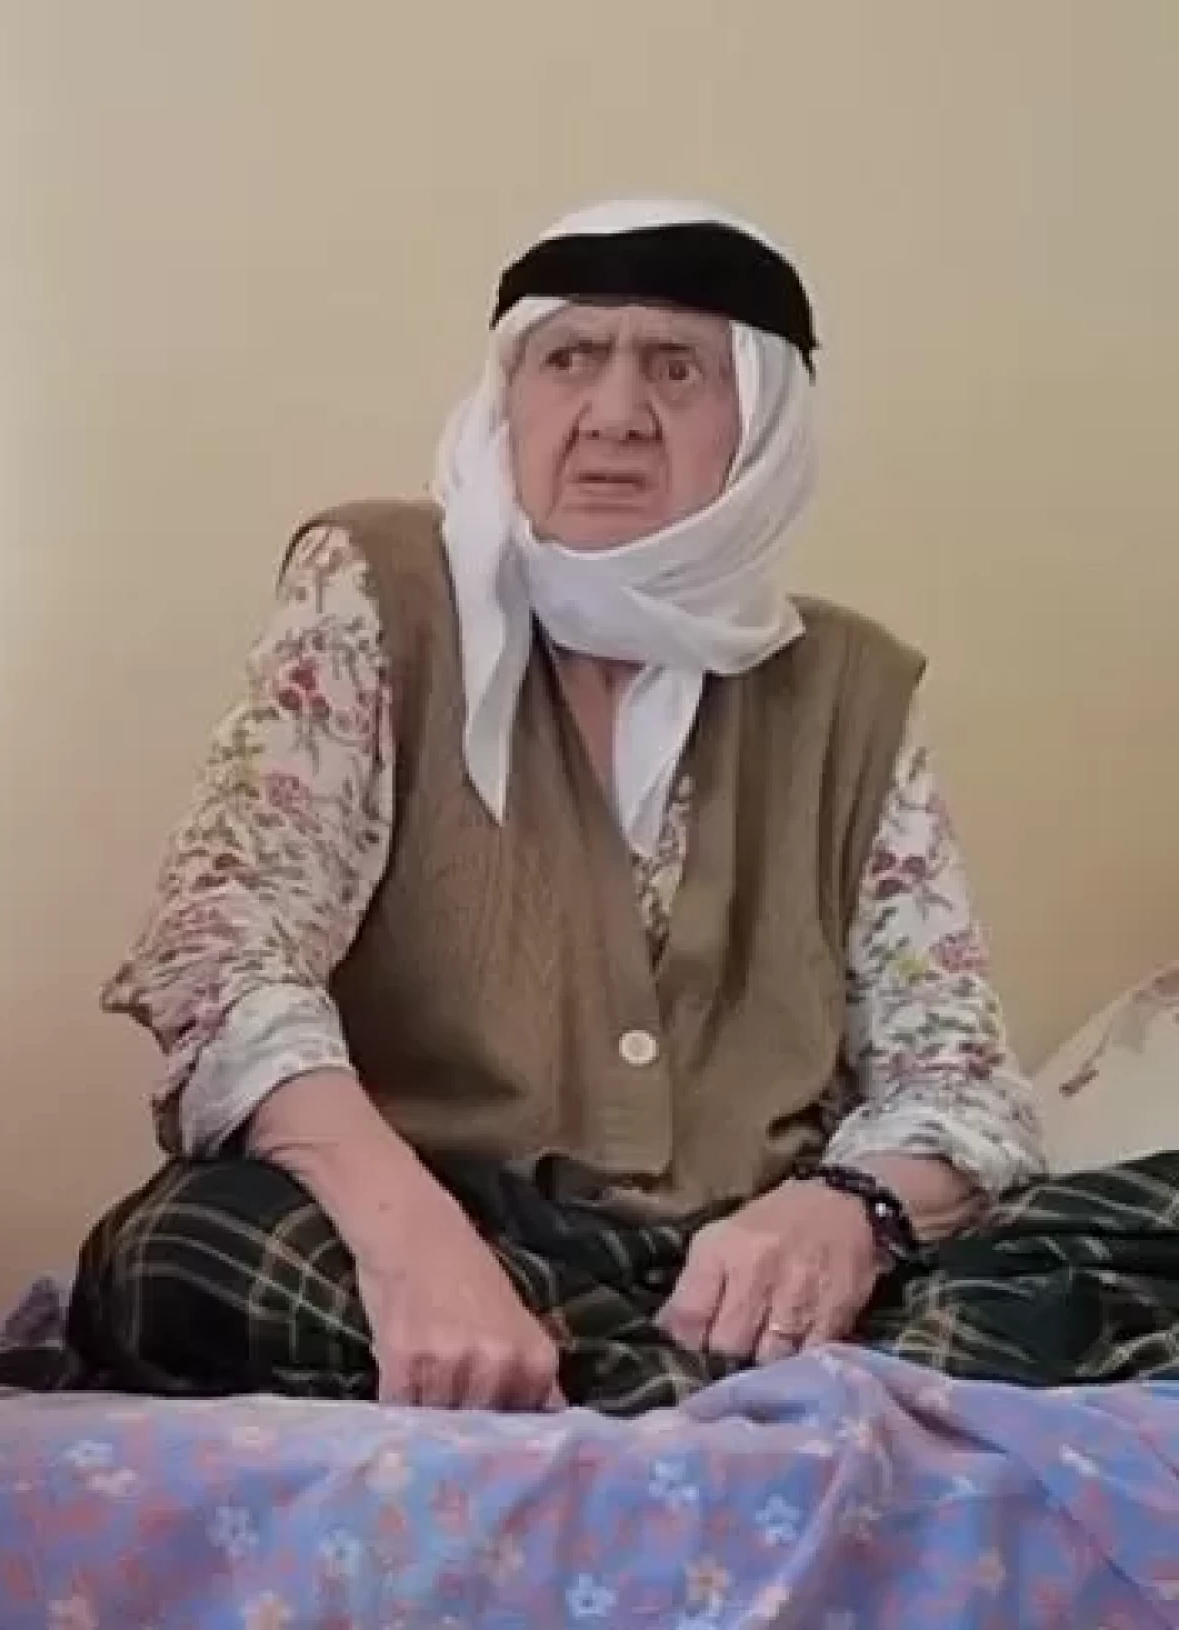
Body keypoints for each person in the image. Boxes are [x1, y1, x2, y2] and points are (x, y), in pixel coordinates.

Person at [69, 198, 1048, 1416]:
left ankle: (643, 1389)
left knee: (1135, 1222)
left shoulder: (847, 685)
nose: (614, 413)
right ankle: (737, 1402)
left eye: (676, 368)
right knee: (181, 1255)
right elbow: (221, 949)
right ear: (509, 394)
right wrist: (411, 1243)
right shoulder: (381, 587)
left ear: (760, 421)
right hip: (446, 1228)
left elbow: (954, 1072)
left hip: (743, 1270)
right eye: (570, 357)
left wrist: (846, 1210)